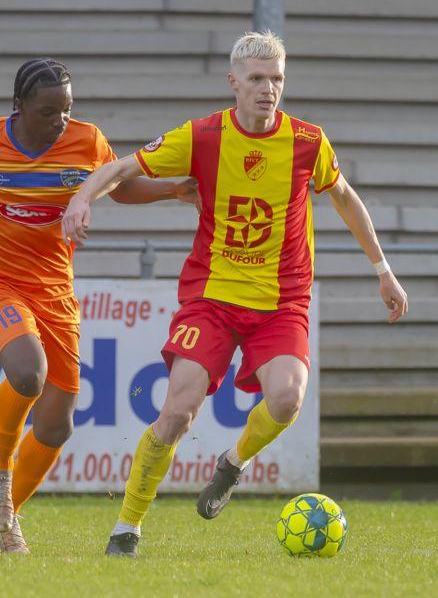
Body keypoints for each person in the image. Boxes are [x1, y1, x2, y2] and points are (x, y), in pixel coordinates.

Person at [62, 31, 408, 558]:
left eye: (277, 79)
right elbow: (122, 168)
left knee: (287, 399)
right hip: (213, 299)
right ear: (234, 82)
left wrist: (383, 270)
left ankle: (232, 462)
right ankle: (126, 527)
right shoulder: (202, 136)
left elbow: (344, 197)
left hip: (282, 302)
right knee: (177, 411)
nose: (268, 89)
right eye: (257, 79)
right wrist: (83, 198)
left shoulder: (308, 141)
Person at [0, 58, 200, 554]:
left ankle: (5, 520)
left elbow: (120, 184)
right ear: (19, 105)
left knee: (57, 423)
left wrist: (173, 189)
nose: (60, 121)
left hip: (55, 290)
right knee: (27, 373)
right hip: (5, 283)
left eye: (67, 110)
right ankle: (4, 508)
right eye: (48, 112)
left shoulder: (86, 141)